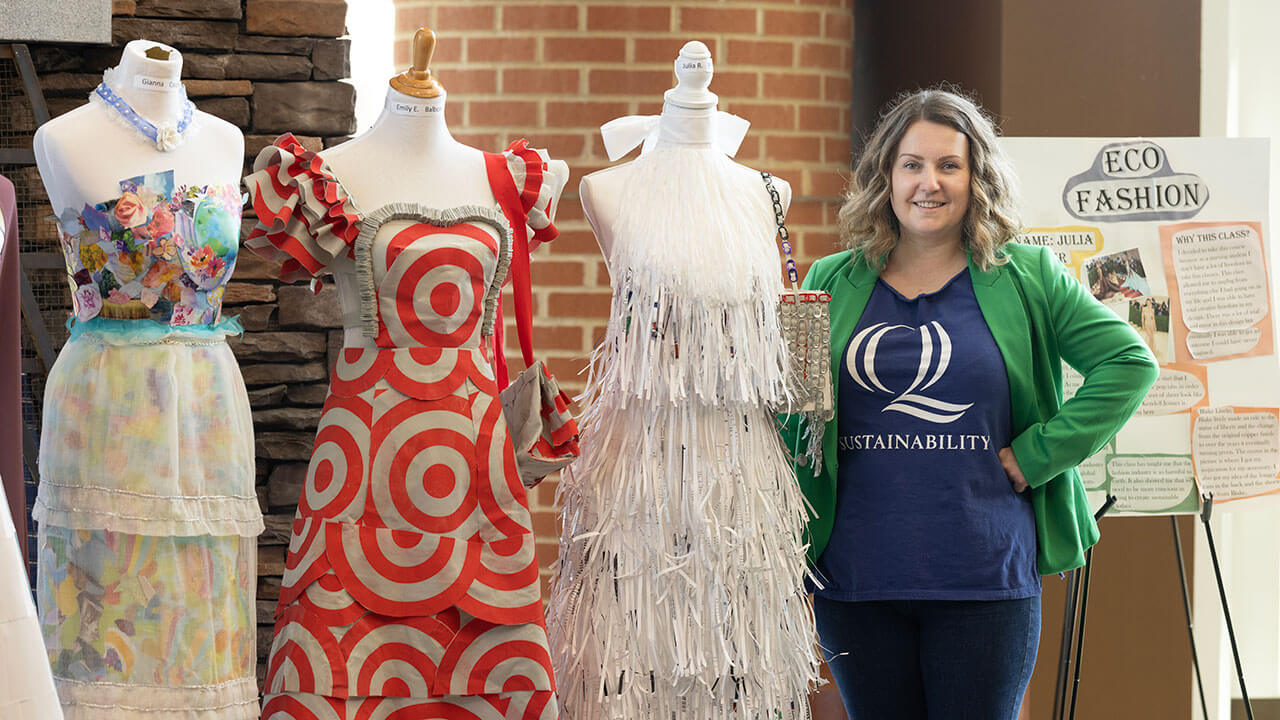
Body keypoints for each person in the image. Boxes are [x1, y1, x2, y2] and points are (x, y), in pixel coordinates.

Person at [779, 88, 1158, 719]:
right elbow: (794, 414)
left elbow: (1128, 362)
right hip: (855, 580)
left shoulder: (1030, 275)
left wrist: (1039, 454)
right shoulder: (826, 280)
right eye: (911, 165)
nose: (929, 183)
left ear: (976, 177)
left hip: (984, 579)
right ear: (886, 177)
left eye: (949, 165)